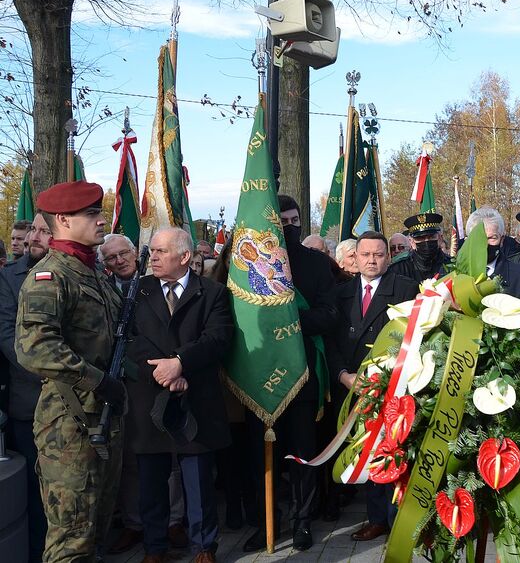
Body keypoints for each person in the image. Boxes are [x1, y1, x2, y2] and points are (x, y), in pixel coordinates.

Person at [15, 181, 124, 562]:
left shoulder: (94, 274)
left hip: (104, 420)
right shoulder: (51, 277)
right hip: (69, 424)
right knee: (71, 541)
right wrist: (98, 380)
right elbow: (35, 348)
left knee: (96, 533)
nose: (101, 221)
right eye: (91, 214)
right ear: (62, 219)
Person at [124, 228, 233, 563]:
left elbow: (218, 338)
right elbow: (129, 339)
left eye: (159, 251)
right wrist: (163, 372)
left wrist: (181, 364)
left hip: (196, 396)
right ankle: (154, 547)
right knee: (152, 478)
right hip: (150, 395)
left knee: (198, 478)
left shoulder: (212, 292)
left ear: (184, 257)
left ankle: (204, 546)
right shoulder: (136, 291)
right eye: (151, 251)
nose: (152, 257)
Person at [244, 195, 338, 553]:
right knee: (260, 454)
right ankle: (267, 520)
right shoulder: (250, 266)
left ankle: (302, 522)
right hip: (259, 374)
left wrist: (287, 320)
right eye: (280, 221)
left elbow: (329, 314)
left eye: (294, 219)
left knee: (302, 453)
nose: (288, 226)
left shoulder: (315, 264)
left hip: (302, 374)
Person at [100, 233, 189, 556]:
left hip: (160, 381)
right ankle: (136, 524)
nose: (119, 260)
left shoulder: (156, 283)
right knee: (131, 460)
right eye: (110, 258)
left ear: (136, 252)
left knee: (170, 457)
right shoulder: (103, 287)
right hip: (119, 385)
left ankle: (174, 521)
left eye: (123, 253)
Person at [329, 231, 419, 542]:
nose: (371, 260)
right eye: (365, 254)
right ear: (354, 257)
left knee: (392, 451)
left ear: (388, 257)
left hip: (392, 390)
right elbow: (331, 341)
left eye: (378, 254)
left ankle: (397, 519)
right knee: (367, 453)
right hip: (352, 387)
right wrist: (343, 374)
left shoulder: (406, 290)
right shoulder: (340, 293)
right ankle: (376, 517)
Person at [0, 214, 51, 561]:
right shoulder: (9, 277)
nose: (33, 237)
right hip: (29, 400)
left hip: (76, 405)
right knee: (33, 492)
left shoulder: (84, 275)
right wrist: (48, 370)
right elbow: (6, 335)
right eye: (32, 229)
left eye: (43, 231)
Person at [467, 207, 520, 301]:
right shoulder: (454, 273)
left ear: (502, 240)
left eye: (492, 238)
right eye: (479, 237)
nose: (485, 244)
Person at [388, 213, 452, 283]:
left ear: (440, 238)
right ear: (411, 242)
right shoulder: (399, 270)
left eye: (431, 237)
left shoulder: (452, 265)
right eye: (420, 238)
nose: (426, 241)